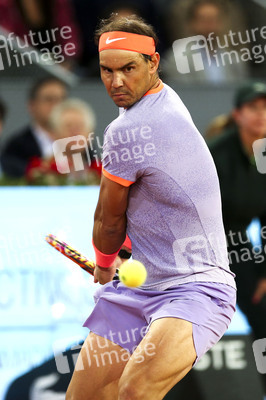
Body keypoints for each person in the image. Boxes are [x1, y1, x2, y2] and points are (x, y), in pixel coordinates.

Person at [66, 14, 236, 400]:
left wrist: (104, 265)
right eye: (107, 71)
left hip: (196, 289)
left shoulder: (128, 130)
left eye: (128, 68)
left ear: (153, 62)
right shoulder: (162, 98)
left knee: (135, 391)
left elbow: (107, 219)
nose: (117, 82)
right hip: (140, 287)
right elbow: (151, 204)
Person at [207, 82, 266, 394]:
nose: (261, 115)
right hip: (200, 245)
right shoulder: (215, 155)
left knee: (264, 316)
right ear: (238, 115)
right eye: (253, 108)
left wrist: (264, 273)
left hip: (239, 242)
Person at [0, 77, 67, 178]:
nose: (56, 105)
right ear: (32, 105)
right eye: (49, 99)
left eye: (61, 99)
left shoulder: (80, 143)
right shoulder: (17, 146)